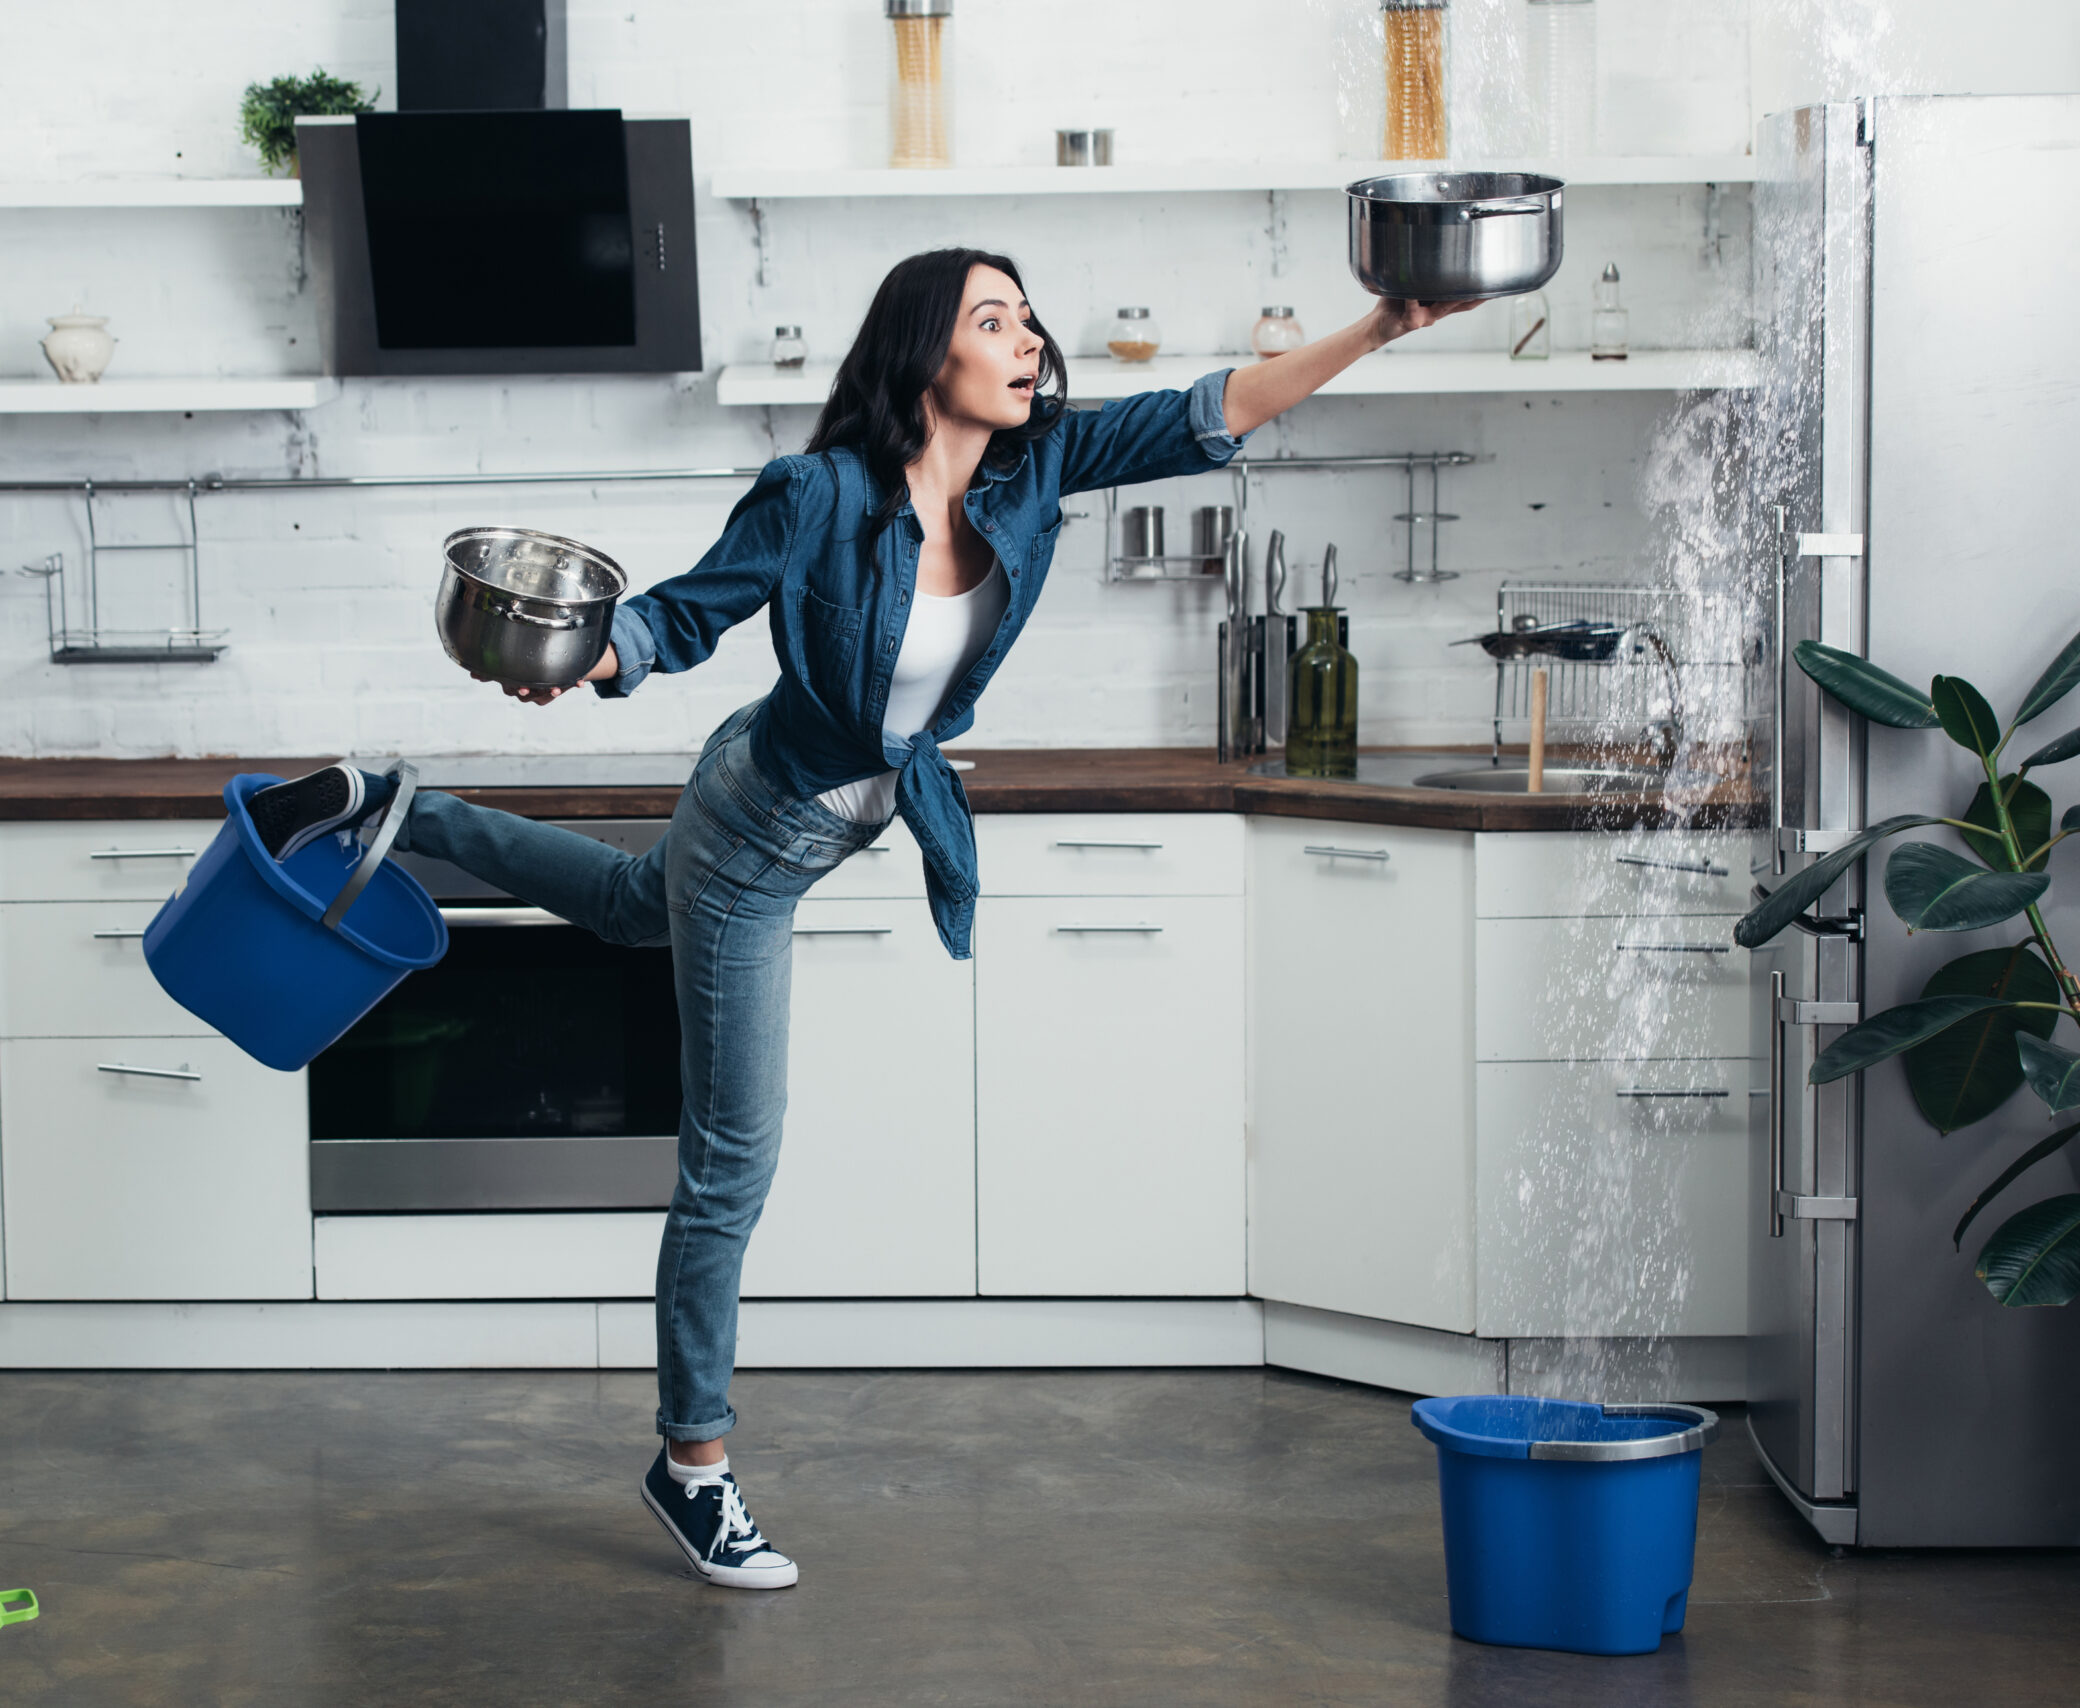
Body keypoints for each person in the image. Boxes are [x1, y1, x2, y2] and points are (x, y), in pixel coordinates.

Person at [246, 249, 1476, 1589]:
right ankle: (692, 1465)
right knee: (732, 1164)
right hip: (757, 824)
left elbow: (1216, 407)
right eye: (989, 321)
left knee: (614, 904)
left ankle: (393, 802)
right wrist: (588, 658)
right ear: (922, 355)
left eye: (1026, 319)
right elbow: (683, 615)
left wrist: (1383, 324)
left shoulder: (1035, 469)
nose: (1024, 343)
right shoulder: (821, 491)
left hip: (843, 819)